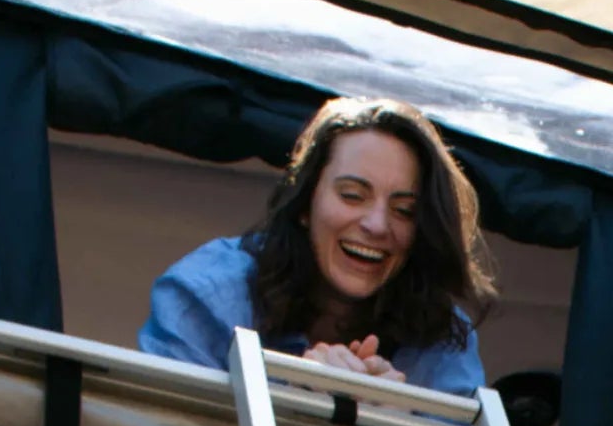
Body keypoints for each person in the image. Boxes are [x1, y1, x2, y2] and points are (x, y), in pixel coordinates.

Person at [136, 96, 496, 396]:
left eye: (404, 210)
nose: (377, 225)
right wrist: (296, 402)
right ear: (305, 204)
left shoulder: (441, 332)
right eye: (352, 196)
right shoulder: (206, 295)